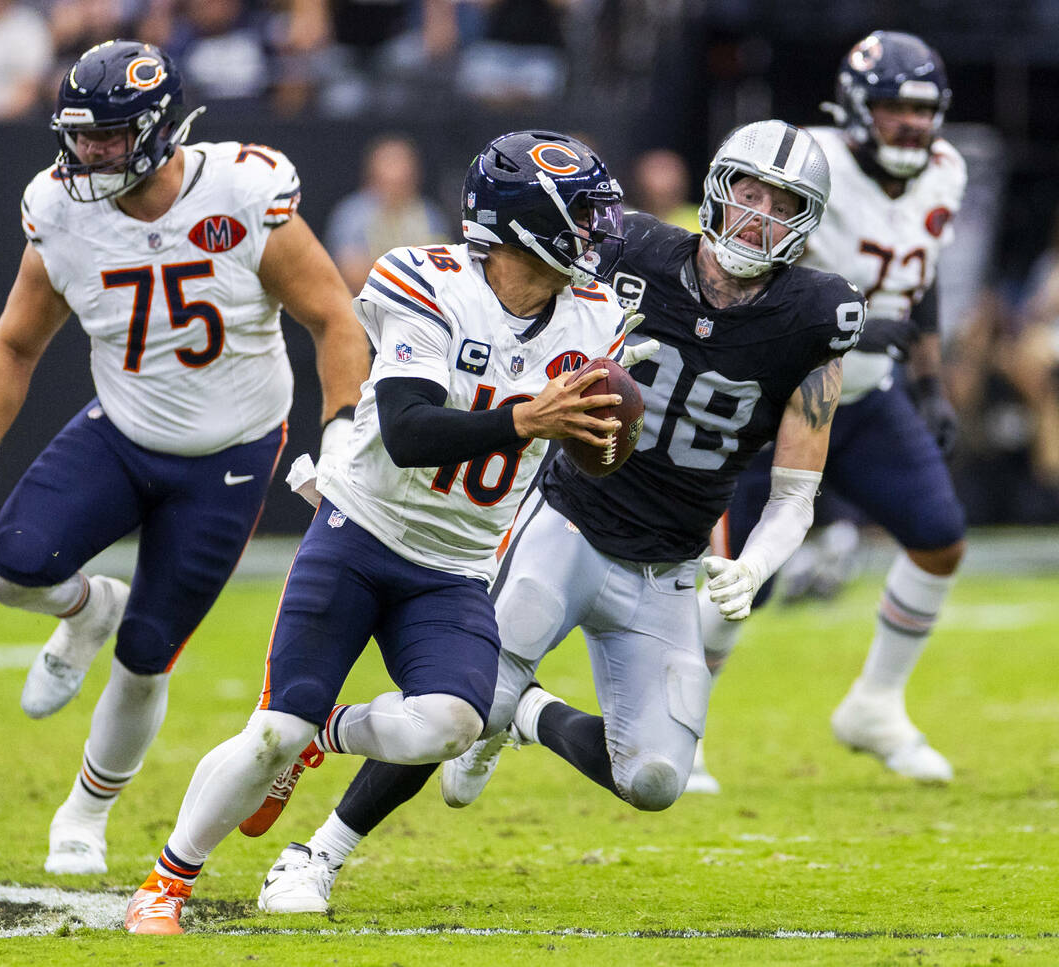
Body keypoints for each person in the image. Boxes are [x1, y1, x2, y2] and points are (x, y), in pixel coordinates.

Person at [254, 120, 866, 915]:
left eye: (783, 205)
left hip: (669, 561)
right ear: (718, 190)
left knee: (655, 779)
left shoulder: (818, 314)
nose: (759, 218)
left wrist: (755, 564)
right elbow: (505, 297)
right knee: (472, 702)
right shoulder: (631, 250)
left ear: (808, 221)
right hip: (569, 518)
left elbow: (794, 492)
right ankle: (316, 854)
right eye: (750, 194)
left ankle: (529, 713)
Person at [123, 130, 635, 935]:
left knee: (454, 722)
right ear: (525, 223)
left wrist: (601, 440)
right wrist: (525, 418)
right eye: (581, 216)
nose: (597, 233)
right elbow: (406, 430)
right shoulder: (427, 281)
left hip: (457, 564)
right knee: (272, 731)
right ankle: (165, 883)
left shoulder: (596, 316)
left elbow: (594, 448)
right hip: (361, 532)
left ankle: (324, 734)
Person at [0, 39, 371, 876]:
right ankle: (87, 608)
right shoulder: (59, 209)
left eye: (110, 135)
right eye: (81, 135)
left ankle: (84, 813)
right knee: (10, 568)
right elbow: (15, 341)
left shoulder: (241, 191)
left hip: (229, 453)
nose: (90, 152)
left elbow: (334, 318)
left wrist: (341, 428)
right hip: (124, 431)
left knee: (146, 654)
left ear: (161, 129)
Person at [694, 31, 968, 791]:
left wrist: (930, 382)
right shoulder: (807, 165)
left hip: (869, 395)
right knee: (740, 579)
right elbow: (740, 267)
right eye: (893, 107)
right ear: (854, 107)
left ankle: (875, 705)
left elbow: (921, 276)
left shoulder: (947, 169)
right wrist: (840, 321)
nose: (910, 124)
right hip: (778, 398)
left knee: (939, 539)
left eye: (923, 110)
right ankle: (677, 726)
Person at [323, 135, 448, 294]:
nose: (396, 180)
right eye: (389, 181)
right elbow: (351, 273)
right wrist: (412, 274)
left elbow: (443, 272)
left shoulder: (430, 215)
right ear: (371, 176)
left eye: (402, 183)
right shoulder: (352, 215)